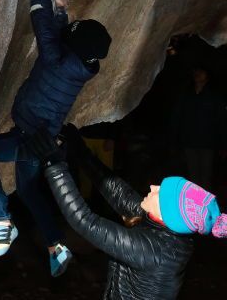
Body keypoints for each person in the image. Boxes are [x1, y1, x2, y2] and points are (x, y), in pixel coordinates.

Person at [0, 0, 112, 277]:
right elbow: (59, 36)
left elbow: (40, 20)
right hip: (42, 135)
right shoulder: (78, 66)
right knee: (29, 189)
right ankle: (57, 247)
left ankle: (1, 220)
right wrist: (64, 13)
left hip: (30, 136)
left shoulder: (55, 59)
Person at [28, 124, 227, 299]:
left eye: (160, 192)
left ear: (168, 214)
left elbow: (86, 222)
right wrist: (80, 150)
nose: (153, 187)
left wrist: (53, 165)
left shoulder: (154, 251)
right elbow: (117, 191)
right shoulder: (165, 227)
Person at [167, 66, 227, 188]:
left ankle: (205, 205)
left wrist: (223, 145)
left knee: (206, 176)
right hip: (189, 141)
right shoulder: (186, 95)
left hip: (208, 143)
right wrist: (173, 141)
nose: (198, 74)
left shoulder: (214, 96)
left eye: (201, 71)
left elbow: (221, 120)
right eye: (196, 71)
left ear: (207, 75)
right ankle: (194, 205)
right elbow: (177, 118)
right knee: (193, 177)